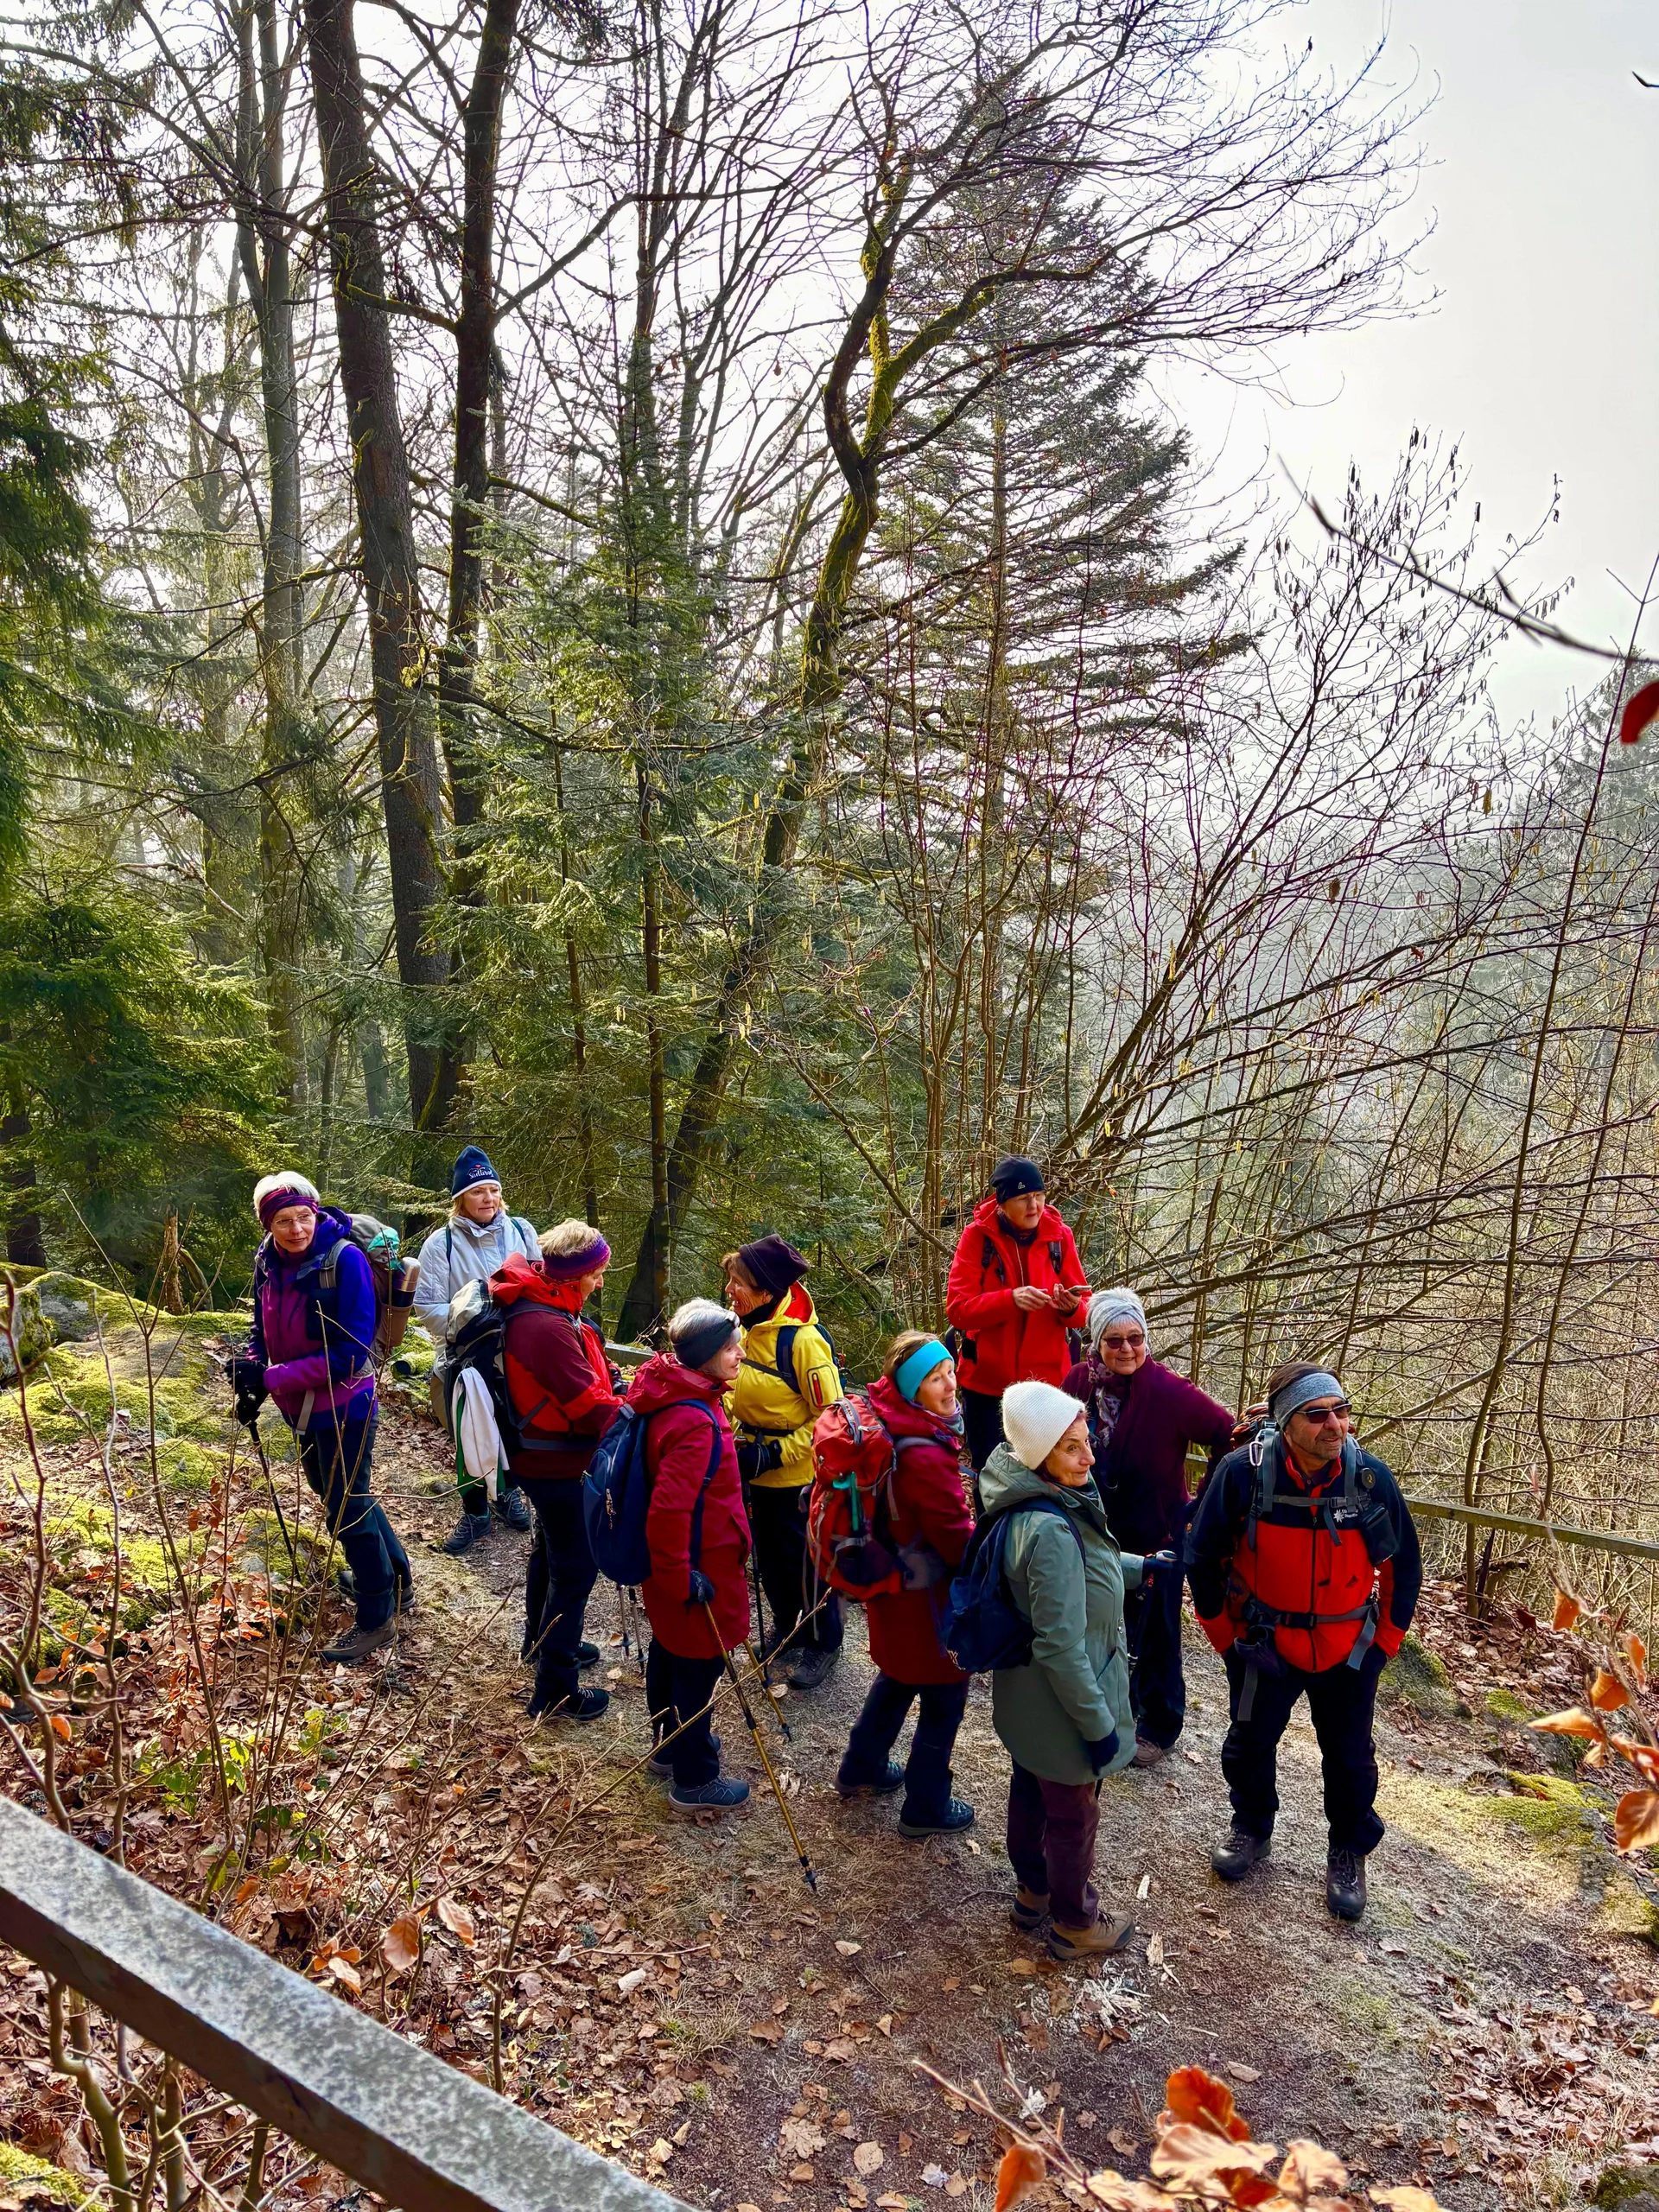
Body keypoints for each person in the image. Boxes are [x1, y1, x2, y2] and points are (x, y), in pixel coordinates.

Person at [1185, 1361, 1422, 1923]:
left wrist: (1384, 1645)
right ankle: (1251, 1828)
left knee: (1350, 1758)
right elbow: (1202, 1556)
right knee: (1249, 1742)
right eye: (1317, 1415)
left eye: (1341, 1411)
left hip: (1348, 1649)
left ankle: (1348, 1852)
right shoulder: (1242, 1475)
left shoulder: (1370, 1480)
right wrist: (1224, 1637)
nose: (1335, 1425)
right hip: (1262, 1643)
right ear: (1287, 1423)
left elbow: (1404, 1567)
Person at [982, 1379, 1166, 1961]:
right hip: (1064, 1708)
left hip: (1028, 1704)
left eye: (1087, 1442)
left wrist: (1139, 1568)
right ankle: (1076, 1922)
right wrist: (1098, 1725)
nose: (1089, 1457)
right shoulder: (1052, 1529)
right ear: (1039, 1454)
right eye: (1071, 1448)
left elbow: (1080, 1567)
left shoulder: (1030, 1496)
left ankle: (1033, 1892)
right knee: (1072, 1816)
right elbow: (1061, 1647)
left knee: (1030, 1793)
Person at [232, 1173, 412, 1664]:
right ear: (267, 1225)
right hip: (301, 1406)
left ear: (316, 1212)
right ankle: (396, 1580)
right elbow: (262, 1326)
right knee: (344, 1496)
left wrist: (273, 1378)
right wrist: (253, 1369)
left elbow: (353, 1353)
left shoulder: (344, 1260)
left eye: (303, 1217)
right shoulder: (267, 1261)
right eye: (283, 1221)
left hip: (346, 1406)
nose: (296, 1230)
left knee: (345, 1508)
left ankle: (376, 1616)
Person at [1061, 1288, 1239, 1768]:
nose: (1127, 1349)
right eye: (1114, 1340)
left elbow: (1227, 1436)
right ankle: (1105, 1710)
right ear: (1096, 1342)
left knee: (1156, 1632)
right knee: (1099, 1622)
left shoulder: (1169, 1391)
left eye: (1136, 1338)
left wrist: (1201, 1504)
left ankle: (1158, 1725)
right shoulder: (1077, 1382)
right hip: (1093, 1530)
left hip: (1157, 1535)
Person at [834, 1333, 976, 1837]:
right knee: (944, 1698)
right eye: (936, 1379)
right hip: (927, 1600)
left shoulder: (891, 1422)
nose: (950, 1385)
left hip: (892, 1586)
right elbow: (956, 1540)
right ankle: (926, 1806)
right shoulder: (924, 1454)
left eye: (950, 1372)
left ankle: (861, 1766)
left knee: (897, 1675)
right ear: (913, 1389)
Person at [491, 1219, 624, 1722]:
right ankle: (556, 1689)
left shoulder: (547, 1303)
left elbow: (583, 1381)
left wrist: (616, 1385)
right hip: (556, 1462)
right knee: (575, 1571)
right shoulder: (544, 1325)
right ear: (572, 1275)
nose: (600, 1283)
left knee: (551, 1551)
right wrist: (641, 1411)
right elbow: (586, 1408)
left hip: (542, 1456)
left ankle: (540, 1640)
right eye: (596, 1274)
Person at [629, 1298, 753, 1815]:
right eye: (731, 1348)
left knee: (670, 1650)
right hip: (698, 1567)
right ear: (705, 1355)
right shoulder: (695, 1421)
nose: (740, 1354)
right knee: (699, 1669)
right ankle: (695, 1777)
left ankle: (668, 1747)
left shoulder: (677, 1394)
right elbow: (669, 1511)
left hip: (680, 1566)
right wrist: (682, 1579)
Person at [723, 1235, 846, 1689]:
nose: (729, 1291)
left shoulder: (803, 1342)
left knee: (809, 1563)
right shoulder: (743, 1328)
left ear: (766, 1291)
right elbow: (734, 1387)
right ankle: (786, 1628)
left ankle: (824, 1643)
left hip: (798, 1478)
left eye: (738, 1283)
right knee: (771, 1561)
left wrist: (774, 1453)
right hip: (754, 1470)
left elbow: (830, 1419)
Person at [414, 1145, 538, 1549]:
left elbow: (540, 1283)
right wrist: (471, 1324)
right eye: (478, 1192)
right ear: (461, 1199)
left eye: (493, 1190)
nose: (488, 1198)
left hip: (514, 1352)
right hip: (462, 1356)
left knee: (511, 1425)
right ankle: (475, 1513)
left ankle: (507, 1494)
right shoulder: (442, 1243)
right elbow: (427, 1305)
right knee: (468, 1432)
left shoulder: (521, 1231)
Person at [945, 1157, 1089, 1474]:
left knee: (1047, 1476)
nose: (1034, 1206)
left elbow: (1084, 1312)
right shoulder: (978, 1237)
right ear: (1003, 1203)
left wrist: (1071, 1308)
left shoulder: (1059, 1237)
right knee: (990, 1476)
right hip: (988, 1388)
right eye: (1024, 1198)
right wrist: (1010, 1300)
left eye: (1039, 1196)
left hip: (1047, 1388)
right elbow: (958, 1310)